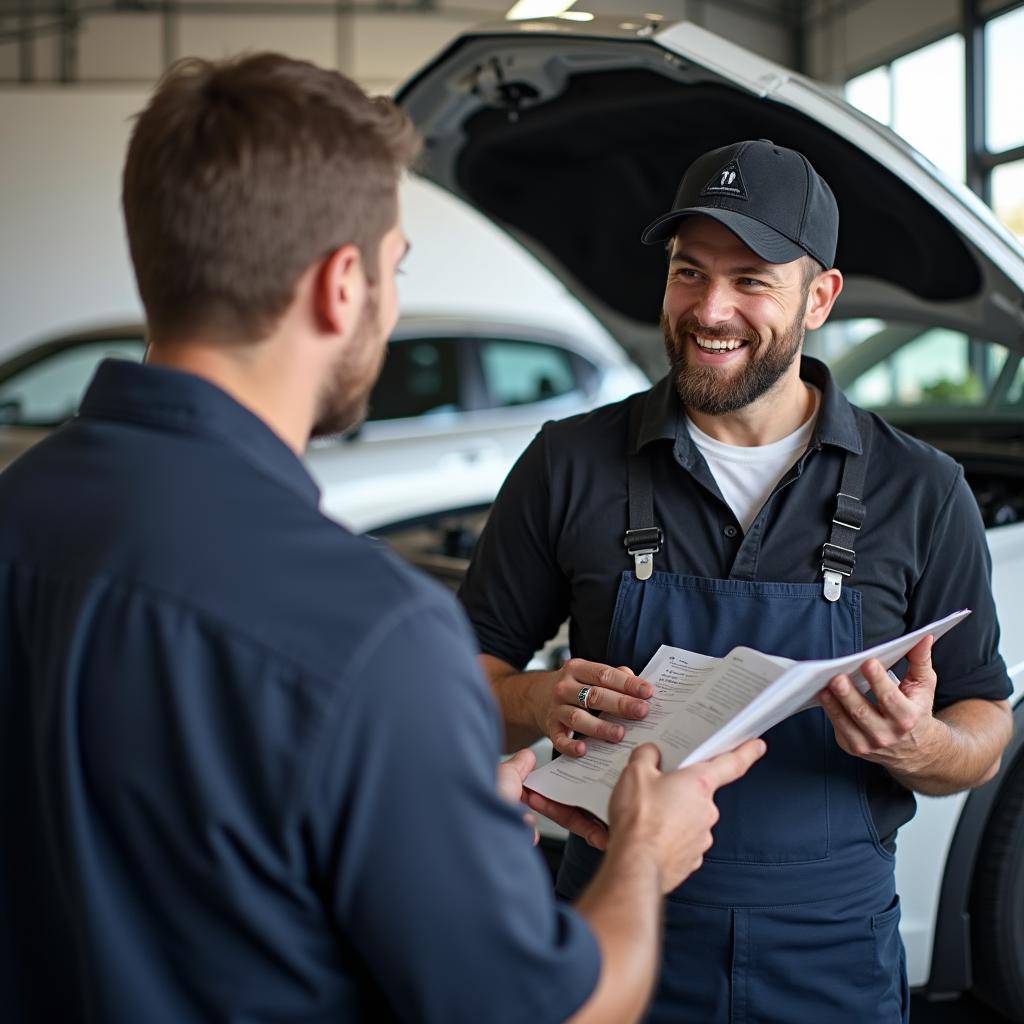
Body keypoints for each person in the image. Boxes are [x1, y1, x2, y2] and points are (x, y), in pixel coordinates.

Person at [0, 57, 766, 1024]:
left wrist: (413, 795)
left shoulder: (19, 510)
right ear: (341, 285)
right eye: (396, 270)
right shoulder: (374, 634)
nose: (393, 304)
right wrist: (643, 860)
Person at [459, 138, 1014, 1023]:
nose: (710, 309)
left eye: (752, 279)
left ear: (820, 297)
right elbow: (459, 680)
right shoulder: (570, 464)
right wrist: (538, 699)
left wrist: (918, 748)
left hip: (829, 951)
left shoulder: (922, 489)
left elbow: (983, 720)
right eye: (689, 272)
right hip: (616, 932)